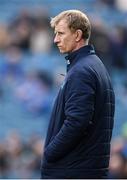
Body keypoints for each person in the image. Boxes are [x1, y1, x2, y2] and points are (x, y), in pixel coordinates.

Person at [41, 10, 115, 179]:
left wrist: (49, 153)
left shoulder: (82, 71)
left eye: (60, 33)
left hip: (72, 171)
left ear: (77, 35)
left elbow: (77, 122)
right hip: (83, 169)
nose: (55, 40)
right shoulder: (92, 65)